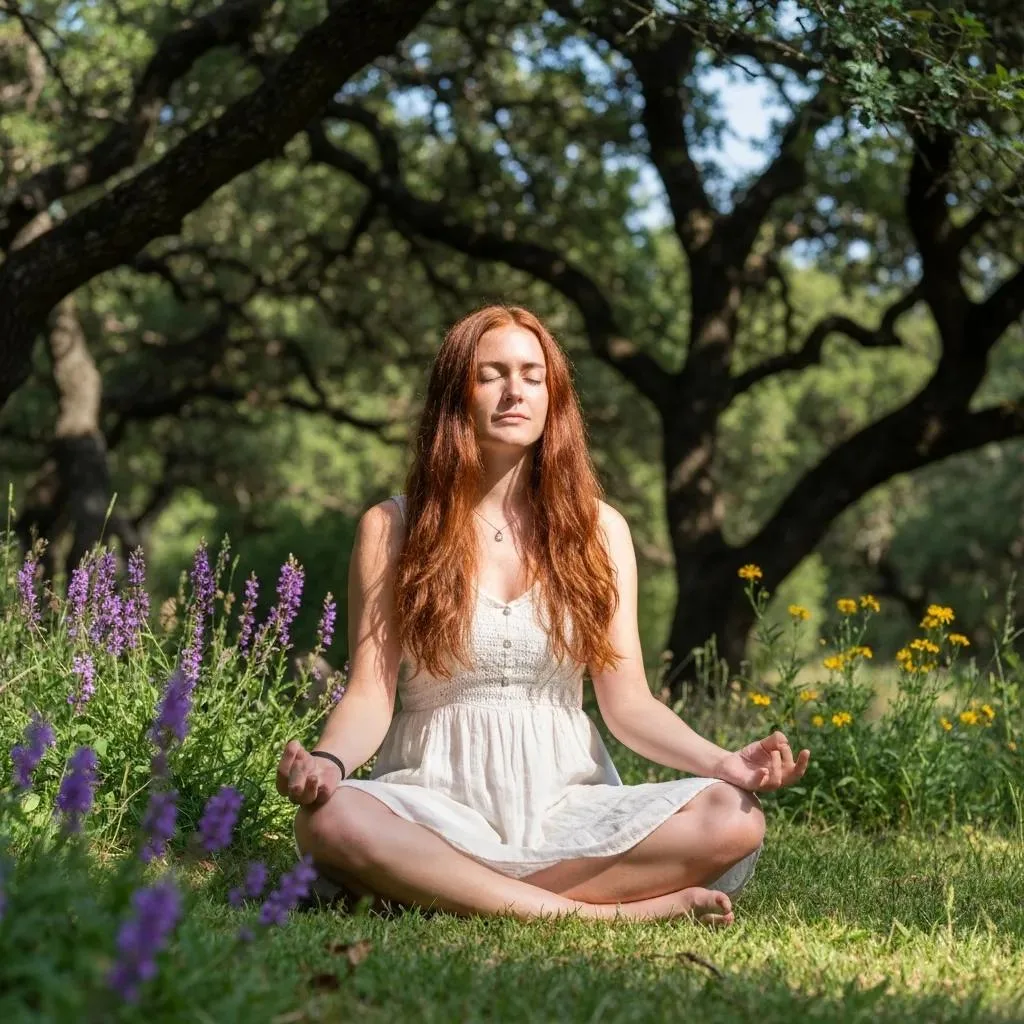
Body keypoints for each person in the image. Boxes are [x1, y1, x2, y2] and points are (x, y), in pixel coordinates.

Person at [278, 304, 810, 925]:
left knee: (733, 816)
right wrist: (329, 763)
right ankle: (601, 913)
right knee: (333, 819)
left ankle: (446, 890)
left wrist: (724, 762)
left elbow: (628, 704)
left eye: (533, 376)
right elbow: (371, 694)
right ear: (457, 392)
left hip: (565, 801)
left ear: (553, 397)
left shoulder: (601, 530)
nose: (515, 392)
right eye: (492, 374)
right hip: (434, 800)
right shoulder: (392, 527)